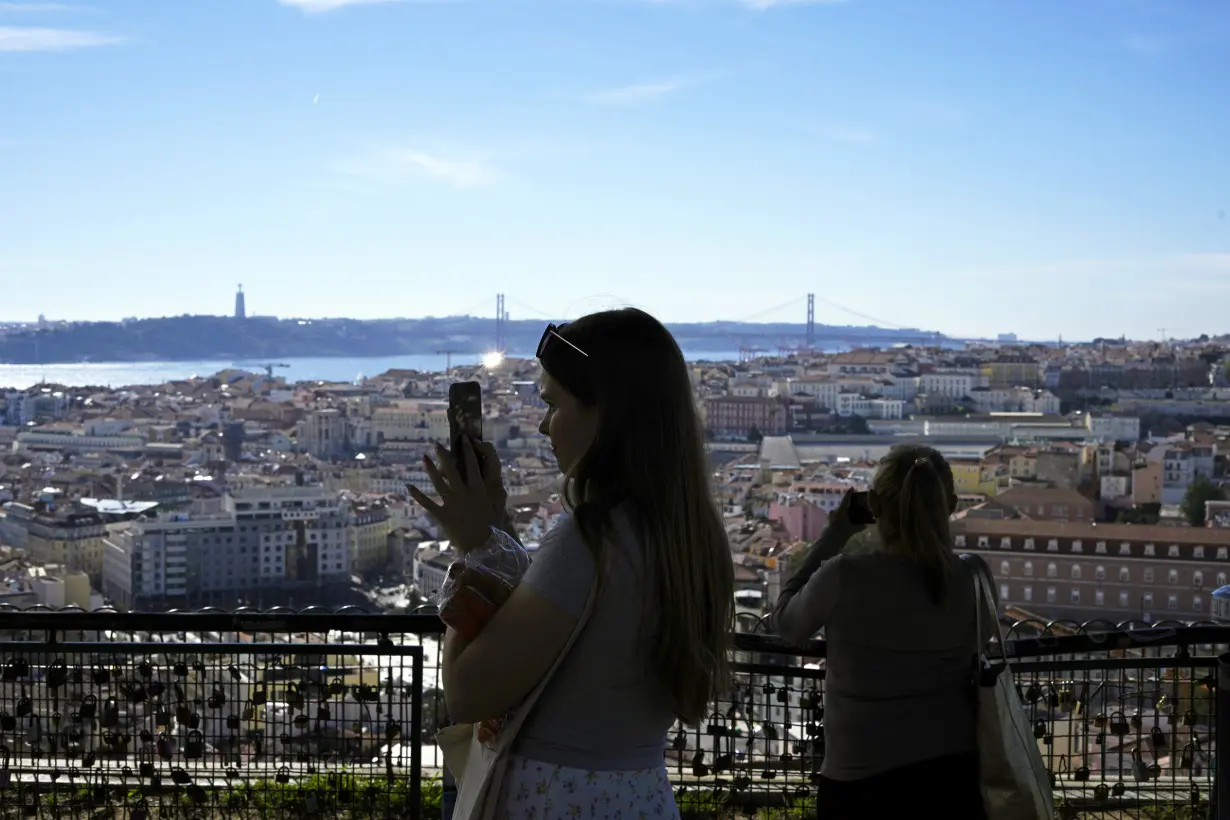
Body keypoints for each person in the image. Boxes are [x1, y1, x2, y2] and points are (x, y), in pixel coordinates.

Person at [410, 308, 735, 819]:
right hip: (642, 795)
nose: (543, 425)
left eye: (552, 403)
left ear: (604, 413)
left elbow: (469, 693)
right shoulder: (691, 534)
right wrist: (499, 532)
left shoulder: (591, 537)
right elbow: (568, 625)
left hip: (555, 798)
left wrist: (474, 550)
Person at [769, 445, 988, 819]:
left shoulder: (843, 576)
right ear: (950, 505)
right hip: (953, 780)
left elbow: (787, 624)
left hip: (859, 783)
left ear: (874, 505)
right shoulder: (974, 578)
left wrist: (834, 534)